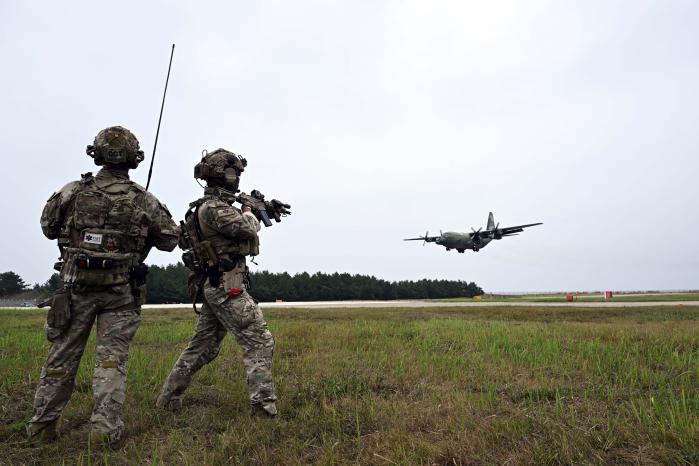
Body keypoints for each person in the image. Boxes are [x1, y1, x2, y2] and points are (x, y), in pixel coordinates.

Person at [28, 126, 179, 447]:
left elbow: (47, 226)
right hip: (121, 294)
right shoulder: (143, 199)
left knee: (61, 358)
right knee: (111, 362)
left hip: (74, 290)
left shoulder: (73, 191)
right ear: (134, 158)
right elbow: (170, 239)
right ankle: (104, 432)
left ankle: (42, 427)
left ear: (95, 153)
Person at [156, 149, 278, 418]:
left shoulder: (218, 206)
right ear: (226, 175)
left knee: (203, 347)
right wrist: (249, 210)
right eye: (235, 173)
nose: (238, 178)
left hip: (220, 284)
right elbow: (246, 228)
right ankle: (263, 409)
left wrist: (264, 208)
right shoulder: (212, 208)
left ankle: (167, 401)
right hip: (226, 287)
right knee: (260, 341)